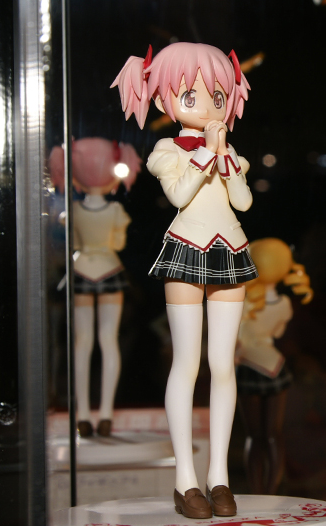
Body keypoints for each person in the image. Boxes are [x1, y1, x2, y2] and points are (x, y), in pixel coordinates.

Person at [112, 42, 255, 519]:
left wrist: (225, 157)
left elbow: (244, 203)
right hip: (187, 249)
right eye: (191, 96)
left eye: (218, 95)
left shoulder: (231, 152)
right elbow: (178, 194)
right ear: (163, 99)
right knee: (187, 364)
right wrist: (205, 156)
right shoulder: (166, 149)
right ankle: (185, 480)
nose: (208, 105)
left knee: (224, 365)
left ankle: (220, 476)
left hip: (230, 248)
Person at [49, 138, 141, 438]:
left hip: (81, 271)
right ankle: (105, 414)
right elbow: (119, 244)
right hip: (110, 270)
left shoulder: (73, 212)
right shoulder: (116, 211)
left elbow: (74, 244)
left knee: (82, 343)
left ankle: (84, 415)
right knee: (108, 340)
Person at [235, 238, 313, 494]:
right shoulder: (284, 304)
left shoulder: (243, 303)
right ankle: (269, 489)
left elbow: (238, 339)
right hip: (274, 366)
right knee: (272, 435)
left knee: (254, 436)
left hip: (248, 366)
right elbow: (277, 333)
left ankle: (258, 489)